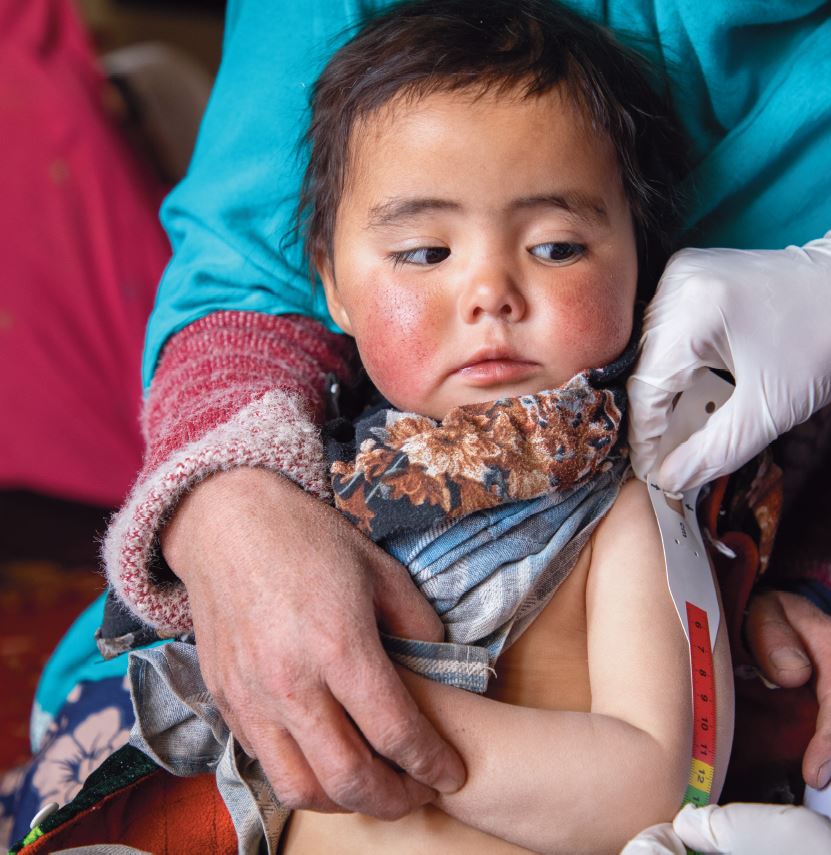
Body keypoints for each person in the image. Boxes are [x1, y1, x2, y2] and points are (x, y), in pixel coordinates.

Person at [92, 0, 831, 827]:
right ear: (331, 284)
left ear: (641, 266)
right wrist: (230, 515)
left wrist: (371, 710)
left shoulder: (625, 501)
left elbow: (656, 782)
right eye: (424, 253)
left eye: (555, 247)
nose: (490, 294)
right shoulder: (314, 471)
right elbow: (238, 273)